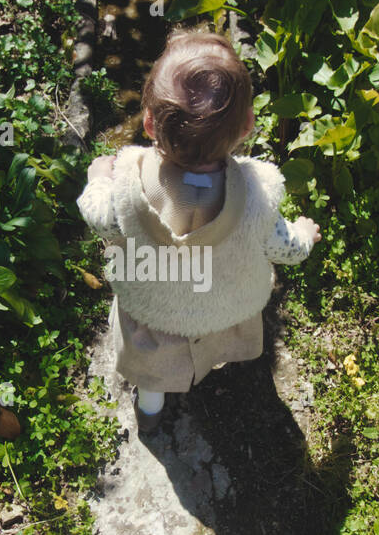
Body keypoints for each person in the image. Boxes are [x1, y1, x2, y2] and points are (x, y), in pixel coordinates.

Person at [76, 30, 321, 433]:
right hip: (222, 309)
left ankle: (151, 411)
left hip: (154, 312)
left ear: (150, 123)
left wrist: (99, 176)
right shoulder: (257, 195)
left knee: (152, 374)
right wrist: (304, 234)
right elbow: (284, 248)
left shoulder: (126, 185)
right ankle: (224, 373)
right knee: (217, 336)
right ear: (247, 125)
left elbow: (98, 218)